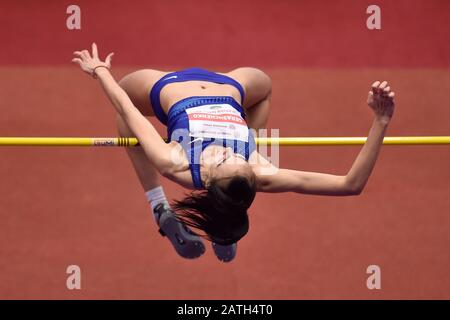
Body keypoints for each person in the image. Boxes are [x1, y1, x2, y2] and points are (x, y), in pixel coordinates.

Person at [72, 43, 395, 262]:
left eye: (225, 160)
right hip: (230, 89)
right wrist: (380, 120)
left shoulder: (176, 162)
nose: (230, 153)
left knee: (124, 114)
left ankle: (159, 209)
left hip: (165, 87)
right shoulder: (260, 171)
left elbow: (128, 108)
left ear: (208, 178)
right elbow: (350, 185)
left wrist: (99, 70)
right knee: (264, 86)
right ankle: (224, 228)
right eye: (241, 159)